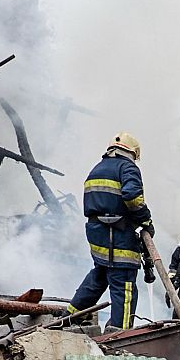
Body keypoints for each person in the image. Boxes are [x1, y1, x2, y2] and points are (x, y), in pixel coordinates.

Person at [68, 133, 153, 331]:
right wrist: (145, 220)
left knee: (99, 277)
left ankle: (68, 318)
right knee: (124, 287)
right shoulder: (127, 167)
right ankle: (119, 334)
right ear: (133, 152)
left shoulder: (97, 168)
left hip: (98, 233)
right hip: (118, 236)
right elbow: (132, 196)